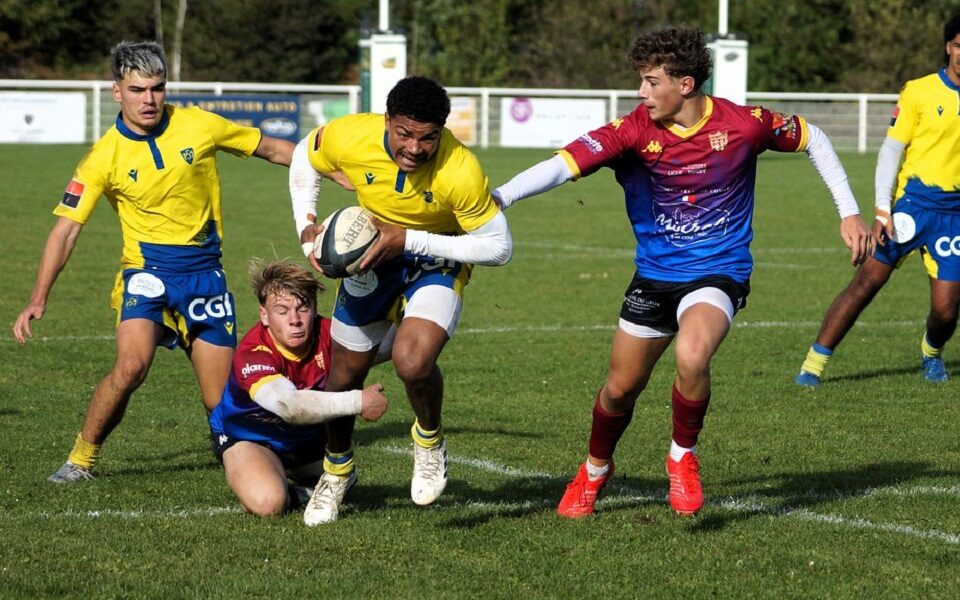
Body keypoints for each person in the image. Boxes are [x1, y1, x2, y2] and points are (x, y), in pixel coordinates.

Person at [492, 27, 872, 518]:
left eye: (651, 82)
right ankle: (594, 469)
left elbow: (813, 137)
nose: (641, 93)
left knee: (693, 355)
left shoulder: (743, 124)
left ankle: (682, 457)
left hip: (719, 271)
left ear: (686, 84)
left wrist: (848, 211)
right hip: (654, 276)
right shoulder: (631, 130)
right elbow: (560, 166)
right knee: (619, 389)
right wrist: (499, 198)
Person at [12, 41, 296, 483]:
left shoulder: (199, 125)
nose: (149, 99)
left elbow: (272, 149)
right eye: (138, 89)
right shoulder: (103, 156)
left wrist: (331, 166)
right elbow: (66, 229)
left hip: (205, 276)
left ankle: (248, 450)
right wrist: (37, 297)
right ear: (116, 92)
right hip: (147, 276)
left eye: (157, 88)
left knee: (220, 396)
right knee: (130, 367)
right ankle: (80, 459)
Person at [288, 75, 512, 523]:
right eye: (404, 133)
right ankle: (337, 470)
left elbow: (498, 247)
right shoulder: (352, 135)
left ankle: (428, 440)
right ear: (387, 120)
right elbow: (302, 157)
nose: (414, 147)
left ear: (443, 132)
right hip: (370, 256)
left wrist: (410, 240)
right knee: (342, 377)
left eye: (428, 138)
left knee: (413, 359)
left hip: (435, 255)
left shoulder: (459, 168)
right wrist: (307, 226)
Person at [796, 14, 960, 387]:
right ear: (949, 46)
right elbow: (891, 150)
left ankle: (931, 354)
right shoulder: (919, 91)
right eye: (958, 45)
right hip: (912, 208)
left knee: (946, 310)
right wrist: (883, 208)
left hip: (955, 216)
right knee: (866, 283)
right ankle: (813, 364)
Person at [209, 260, 389, 522]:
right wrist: (359, 401)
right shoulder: (251, 354)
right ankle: (295, 490)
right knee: (269, 502)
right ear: (264, 316)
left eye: (302, 308)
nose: (294, 320)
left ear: (314, 309)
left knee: (345, 475)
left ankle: (299, 475)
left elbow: (390, 343)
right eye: (281, 311)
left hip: (306, 442)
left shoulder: (330, 334)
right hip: (250, 437)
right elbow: (290, 407)